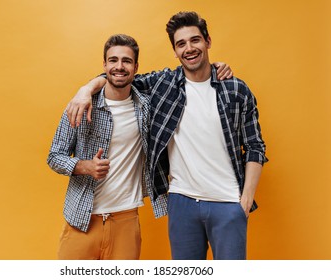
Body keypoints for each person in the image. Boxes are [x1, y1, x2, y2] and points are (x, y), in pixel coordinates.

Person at [66, 11, 268, 260]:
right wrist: (85, 90)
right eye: (181, 44)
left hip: (228, 203)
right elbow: (118, 76)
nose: (189, 48)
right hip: (182, 203)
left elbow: (255, 146)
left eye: (195, 40)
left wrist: (245, 201)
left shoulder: (236, 89)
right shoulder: (164, 84)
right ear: (175, 50)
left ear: (207, 41)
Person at [47, 34, 168, 260]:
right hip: (81, 220)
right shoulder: (80, 105)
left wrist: (216, 67)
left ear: (136, 67)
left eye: (126, 61)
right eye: (113, 60)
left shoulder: (146, 109)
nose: (119, 67)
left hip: (126, 220)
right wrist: (83, 166)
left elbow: (184, 77)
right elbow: (54, 156)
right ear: (104, 65)